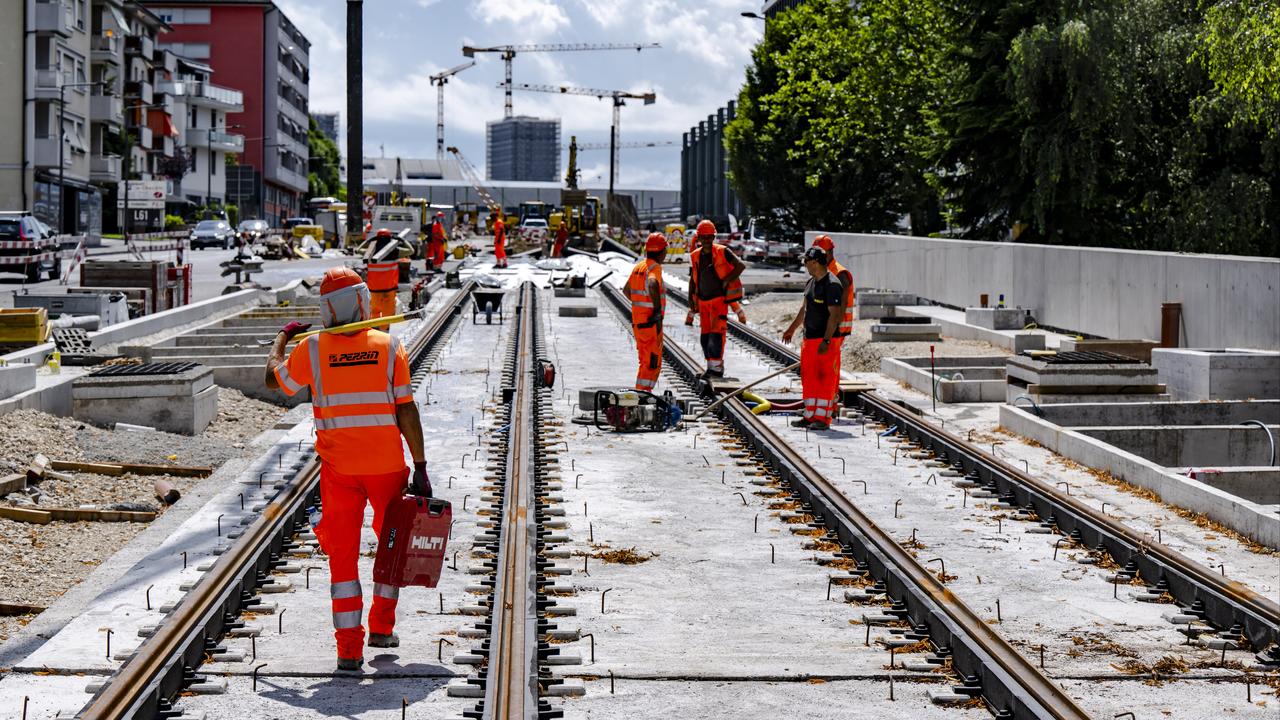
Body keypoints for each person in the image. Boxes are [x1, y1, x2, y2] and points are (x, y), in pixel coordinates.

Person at [264, 267, 431, 672]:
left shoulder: (312, 350)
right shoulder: (389, 346)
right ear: (362, 301)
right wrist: (421, 465)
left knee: (343, 560)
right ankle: (382, 628)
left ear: (325, 311)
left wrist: (283, 338)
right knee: (391, 548)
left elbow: (273, 380)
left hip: (339, 472)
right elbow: (406, 410)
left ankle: (348, 651)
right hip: (387, 468)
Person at [782, 247, 846, 430]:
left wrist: (826, 340)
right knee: (809, 378)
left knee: (824, 378)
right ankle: (810, 415)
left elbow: (835, 316)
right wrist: (791, 329)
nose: (804, 265)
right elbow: (805, 309)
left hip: (826, 341)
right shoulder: (811, 282)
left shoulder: (832, 285)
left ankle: (823, 418)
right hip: (809, 340)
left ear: (815, 262)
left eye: (806, 261)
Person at [685, 220, 745, 378]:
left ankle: (717, 369)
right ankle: (711, 368)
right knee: (705, 337)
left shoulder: (722, 251)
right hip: (703, 301)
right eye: (703, 237)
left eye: (709, 237)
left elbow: (740, 266)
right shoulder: (695, 255)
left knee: (716, 336)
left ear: (713, 237)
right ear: (698, 238)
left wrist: (727, 280)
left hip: (718, 301)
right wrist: (690, 298)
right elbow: (693, 278)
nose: (706, 240)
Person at [810, 234, 854, 382]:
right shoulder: (822, 271)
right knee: (824, 364)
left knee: (829, 364)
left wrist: (831, 331)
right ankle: (826, 394)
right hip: (825, 327)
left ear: (830, 253)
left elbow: (840, 308)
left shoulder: (839, 273)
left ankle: (830, 396)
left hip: (836, 328)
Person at [628, 232, 668, 392]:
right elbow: (652, 284)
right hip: (651, 325)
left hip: (640, 324)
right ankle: (641, 396)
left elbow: (626, 290)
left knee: (645, 362)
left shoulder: (640, 266)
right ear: (661, 251)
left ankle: (641, 395)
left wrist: (641, 307)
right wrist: (656, 311)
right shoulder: (654, 267)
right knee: (652, 363)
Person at [365, 228, 400, 332]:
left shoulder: (369, 253)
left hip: (374, 290)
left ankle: (374, 331)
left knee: (374, 311)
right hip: (389, 290)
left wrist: (370, 240)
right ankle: (384, 333)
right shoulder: (395, 251)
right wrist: (399, 240)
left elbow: (358, 249)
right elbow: (411, 250)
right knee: (387, 314)